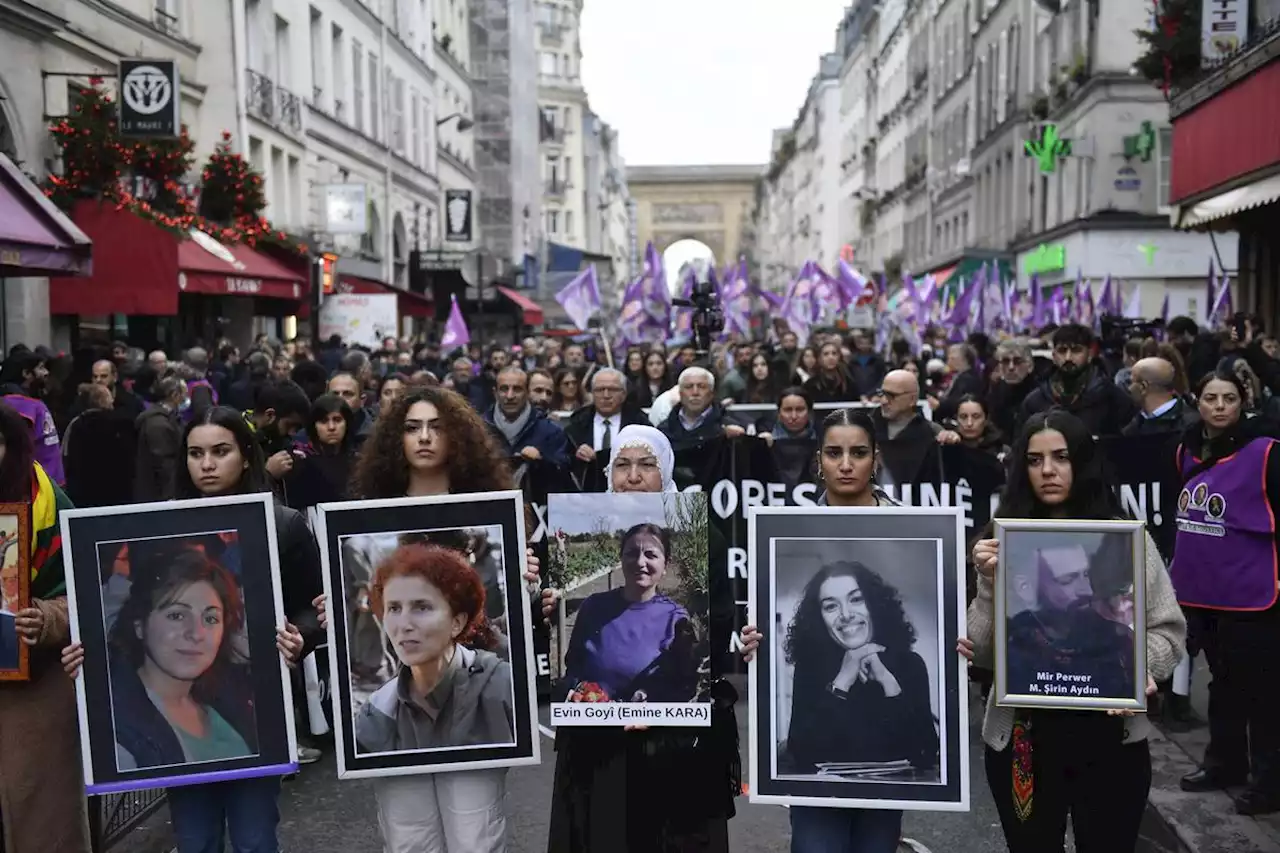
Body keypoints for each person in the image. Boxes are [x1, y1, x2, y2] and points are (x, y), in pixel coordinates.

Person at [317, 386, 546, 853]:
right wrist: (333, 606)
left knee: (476, 838)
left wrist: (527, 579)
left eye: (437, 427)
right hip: (403, 720)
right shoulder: (365, 516)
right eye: (412, 427)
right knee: (409, 842)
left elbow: (519, 608)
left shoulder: (491, 511)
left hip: (472, 717)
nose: (424, 437)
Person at [959, 409, 1185, 852]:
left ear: (1082, 461)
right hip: (1023, 741)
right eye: (1034, 459)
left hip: (1111, 743)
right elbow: (980, 651)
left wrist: (1139, 666)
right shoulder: (1001, 539)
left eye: (1061, 457)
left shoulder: (1124, 538)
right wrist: (987, 583)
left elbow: (1169, 632)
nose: (1048, 470)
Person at [548, 424, 740, 853]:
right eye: (622, 465)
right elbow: (571, 664)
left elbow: (714, 638)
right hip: (598, 748)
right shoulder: (593, 604)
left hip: (674, 747)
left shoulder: (706, 538)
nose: (632, 476)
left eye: (646, 465)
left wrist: (661, 707)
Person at [739, 408, 912, 853]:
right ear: (819, 460)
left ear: (876, 458)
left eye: (858, 452)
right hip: (817, 793)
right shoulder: (788, 528)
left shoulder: (914, 527)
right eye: (834, 453)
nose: (846, 464)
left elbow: (924, 747)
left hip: (888, 789)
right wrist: (746, 638)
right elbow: (800, 747)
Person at [1171, 369, 1280, 814]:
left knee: (1264, 693)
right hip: (1201, 591)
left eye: (1229, 398)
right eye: (1211, 397)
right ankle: (1225, 764)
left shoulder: (1268, 452)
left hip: (1253, 592)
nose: (1219, 406)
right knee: (1223, 685)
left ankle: (1269, 782)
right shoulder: (1184, 449)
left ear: (1243, 402)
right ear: (1198, 401)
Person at [0, 401, 91, 853]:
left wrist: (46, 616)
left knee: (42, 821)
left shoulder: (49, 502)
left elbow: (91, 590)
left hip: (35, 692)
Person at [353, 544, 515, 754]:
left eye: (421, 607)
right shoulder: (376, 712)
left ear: (456, 622)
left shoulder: (504, 685)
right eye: (393, 608)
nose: (404, 624)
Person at [781, 561, 939, 776]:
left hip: (885, 799)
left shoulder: (909, 664)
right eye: (830, 606)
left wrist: (888, 683)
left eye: (856, 599)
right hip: (822, 800)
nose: (846, 614)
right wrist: (842, 681)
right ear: (820, 618)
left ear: (874, 605)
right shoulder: (810, 668)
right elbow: (801, 752)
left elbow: (926, 752)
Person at [106, 546, 257, 769]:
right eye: (176, 615)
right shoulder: (118, 732)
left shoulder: (224, 697)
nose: (196, 633)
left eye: (211, 619)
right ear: (139, 625)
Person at [562, 523, 699, 703]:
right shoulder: (593, 606)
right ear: (621, 559)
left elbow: (684, 688)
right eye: (632, 553)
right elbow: (573, 666)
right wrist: (578, 692)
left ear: (666, 564)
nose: (640, 562)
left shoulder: (676, 619)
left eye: (650, 555)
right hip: (594, 725)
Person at [1003, 539, 1136, 700]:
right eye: (1067, 580)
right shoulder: (1010, 642)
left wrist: (1140, 671)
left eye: (1086, 575)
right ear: (1025, 588)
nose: (1086, 590)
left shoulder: (1119, 641)